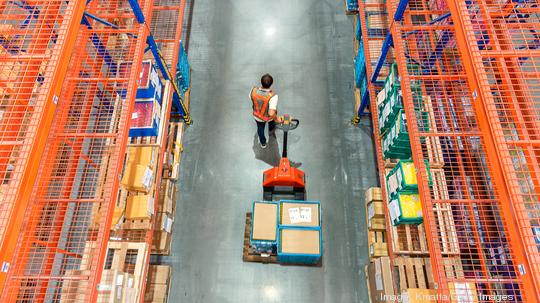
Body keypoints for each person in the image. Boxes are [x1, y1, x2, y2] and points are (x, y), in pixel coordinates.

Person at [250, 73, 282, 148]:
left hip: (257, 115)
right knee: (272, 122)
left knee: (260, 129)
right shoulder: (273, 96)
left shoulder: (253, 91)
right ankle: (271, 131)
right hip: (268, 117)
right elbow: (271, 113)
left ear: (261, 82)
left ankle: (263, 143)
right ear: (271, 84)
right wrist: (277, 119)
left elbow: (251, 98)